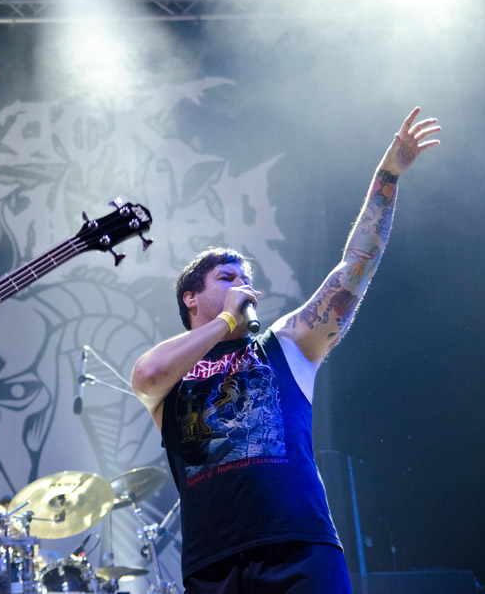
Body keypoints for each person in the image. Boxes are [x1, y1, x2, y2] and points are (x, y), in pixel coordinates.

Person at [131, 108, 441, 593]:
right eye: (228, 278)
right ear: (190, 297)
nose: (244, 286)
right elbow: (146, 374)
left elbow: (353, 270)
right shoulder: (171, 374)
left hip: (299, 549)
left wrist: (388, 177)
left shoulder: (285, 344)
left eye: (247, 280)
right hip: (212, 565)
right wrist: (227, 323)